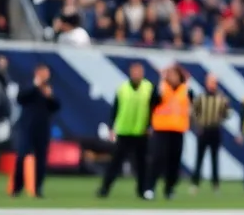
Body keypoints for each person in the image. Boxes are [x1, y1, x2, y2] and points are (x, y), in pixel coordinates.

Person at [98, 63, 157, 199]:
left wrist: (150, 126)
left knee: (142, 163)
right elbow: (115, 108)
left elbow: (153, 108)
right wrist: (111, 127)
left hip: (141, 131)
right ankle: (105, 188)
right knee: (115, 162)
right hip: (124, 131)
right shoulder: (122, 88)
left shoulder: (148, 88)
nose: (137, 74)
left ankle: (142, 190)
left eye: (139, 72)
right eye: (134, 72)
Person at [11, 64, 59, 198]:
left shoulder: (48, 88)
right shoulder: (28, 85)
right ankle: (17, 188)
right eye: (44, 73)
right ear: (37, 73)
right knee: (22, 156)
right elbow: (20, 99)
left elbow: (55, 107)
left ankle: (38, 188)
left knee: (41, 159)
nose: (46, 75)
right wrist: (35, 87)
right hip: (27, 127)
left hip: (42, 129)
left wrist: (50, 97)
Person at [150, 65, 190, 201]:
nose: (172, 78)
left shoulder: (185, 90)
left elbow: (190, 107)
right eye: (170, 75)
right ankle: (150, 187)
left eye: (175, 75)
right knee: (157, 159)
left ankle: (169, 188)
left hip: (178, 130)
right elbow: (152, 103)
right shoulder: (161, 87)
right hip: (161, 129)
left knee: (174, 161)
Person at [191, 73, 231, 192]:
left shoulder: (221, 98)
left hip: (215, 129)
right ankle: (195, 183)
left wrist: (226, 108)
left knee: (215, 158)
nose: (212, 84)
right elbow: (194, 113)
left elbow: (226, 114)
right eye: (210, 81)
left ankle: (215, 184)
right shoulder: (201, 97)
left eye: (214, 82)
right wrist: (197, 125)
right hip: (203, 129)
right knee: (199, 158)